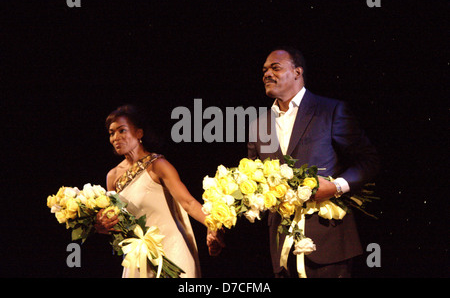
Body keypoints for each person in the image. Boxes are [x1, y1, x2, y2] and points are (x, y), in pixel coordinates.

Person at [246, 46, 380, 277]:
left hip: (328, 243)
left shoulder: (330, 110)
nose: (267, 74)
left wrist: (336, 187)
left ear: (297, 72)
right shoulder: (258, 126)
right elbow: (253, 179)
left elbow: (368, 161)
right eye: (264, 70)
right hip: (281, 249)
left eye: (275, 68)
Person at [95, 105, 223, 278]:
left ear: (139, 133)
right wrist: (100, 226)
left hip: (171, 252)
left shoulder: (157, 165)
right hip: (138, 260)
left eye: (122, 131)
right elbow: (116, 225)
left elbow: (189, 203)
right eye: (111, 133)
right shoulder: (113, 177)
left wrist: (213, 224)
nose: (115, 138)